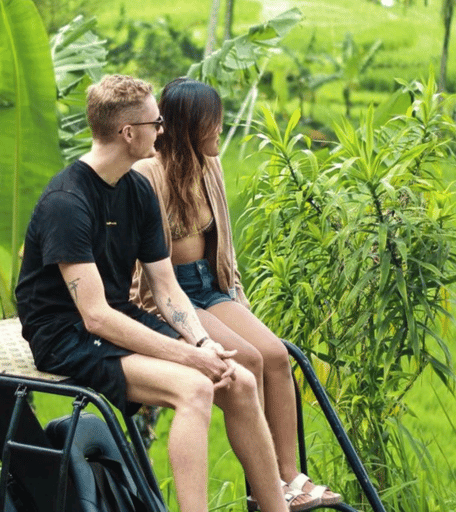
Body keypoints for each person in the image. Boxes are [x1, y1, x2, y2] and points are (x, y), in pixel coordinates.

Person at [16, 74, 288, 512]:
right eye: (156, 123)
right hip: (66, 337)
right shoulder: (67, 202)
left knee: (237, 380)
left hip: (116, 319)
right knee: (194, 388)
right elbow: (95, 317)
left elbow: (166, 288)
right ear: (128, 133)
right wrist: (188, 357)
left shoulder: (137, 189)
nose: (162, 131)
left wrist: (203, 343)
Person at [130, 77, 342, 510]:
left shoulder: (211, 166)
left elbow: (222, 248)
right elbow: (148, 274)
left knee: (276, 354)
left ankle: (289, 476)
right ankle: (261, 486)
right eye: (214, 124)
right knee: (246, 359)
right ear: (190, 126)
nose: (220, 132)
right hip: (172, 295)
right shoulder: (147, 174)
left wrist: (237, 300)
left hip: (211, 285)